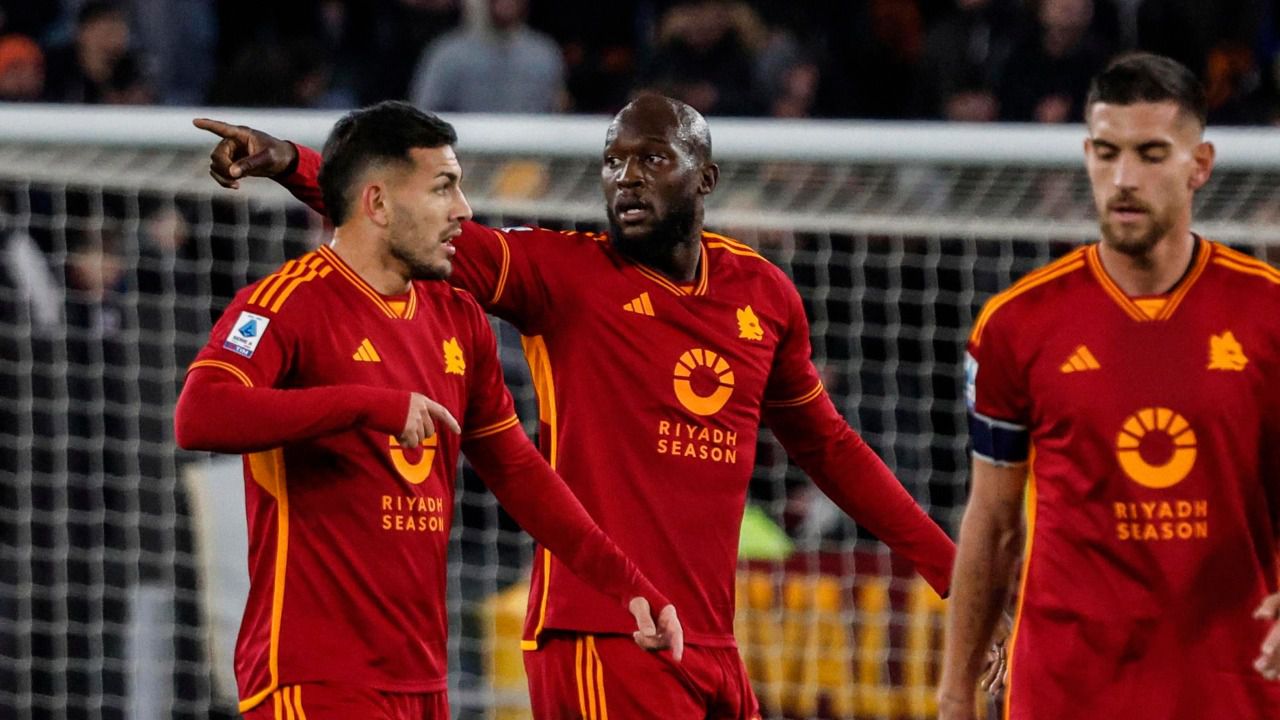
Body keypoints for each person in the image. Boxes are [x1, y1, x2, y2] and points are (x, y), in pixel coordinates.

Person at [194, 92, 956, 719]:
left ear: (705, 178)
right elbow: (395, 217)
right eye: (613, 161)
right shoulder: (563, 277)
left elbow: (828, 446)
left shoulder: (763, 294)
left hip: (702, 635)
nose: (626, 178)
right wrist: (290, 162)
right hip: (597, 635)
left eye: (651, 159)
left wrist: (952, 568)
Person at [175, 101, 680, 719]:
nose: (462, 209)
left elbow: (518, 471)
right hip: (312, 679)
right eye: (443, 187)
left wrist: (627, 583)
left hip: (421, 682)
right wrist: (366, 406)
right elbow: (200, 414)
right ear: (378, 203)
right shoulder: (287, 302)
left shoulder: (457, 316)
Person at [939, 52, 1280, 720]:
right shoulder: (1016, 325)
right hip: (1066, 691)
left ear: (1199, 165)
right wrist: (955, 695)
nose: (1124, 179)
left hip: (1228, 688)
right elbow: (993, 521)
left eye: (1151, 154)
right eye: (1106, 152)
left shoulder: (1267, 313)